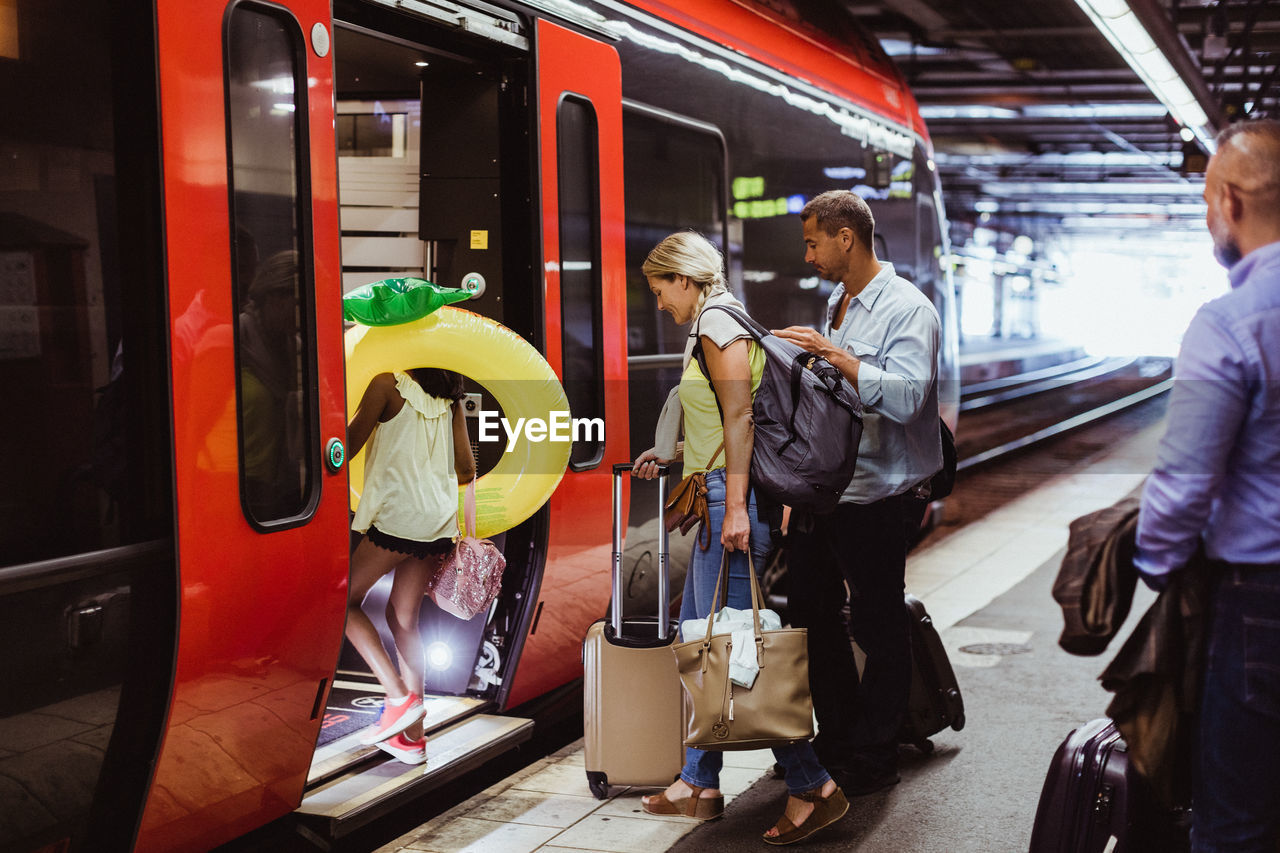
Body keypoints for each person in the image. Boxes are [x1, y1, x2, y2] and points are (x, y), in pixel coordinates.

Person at [631, 231, 848, 845]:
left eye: (660, 289)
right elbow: (714, 416)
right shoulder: (719, 321)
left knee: (734, 657)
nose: (659, 302)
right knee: (706, 647)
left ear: (687, 279)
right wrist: (672, 452)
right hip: (716, 493)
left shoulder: (718, 324)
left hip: (729, 500)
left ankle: (814, 788)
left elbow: (740, 417)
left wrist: (734, 509)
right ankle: (698, 787)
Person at [1134, 119, 1280, 852]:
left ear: (1228, 200)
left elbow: (1186, 479)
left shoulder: (1231, 322)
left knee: (1237, 822)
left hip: (1263, 602)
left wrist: (1157, 563)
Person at [772, 189, 941, 795]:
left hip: (882, 493)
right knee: (812, 612)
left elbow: (906, 398)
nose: (809, 254)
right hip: (832, 489)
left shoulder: (907, 310)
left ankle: (875, 752)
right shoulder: (837, 302)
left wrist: (834, 356)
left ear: (847, 238)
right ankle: (838, 736)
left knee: (877, 621)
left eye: (813, 241)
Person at [345, 367, 476, 764]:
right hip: (436, 522)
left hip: (397, 518)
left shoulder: (387, 384)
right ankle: (412, 738)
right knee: (404, 620)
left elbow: (345, 447)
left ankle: (398, 697)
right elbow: (467, 469)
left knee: (342, 603)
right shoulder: (450, 399)